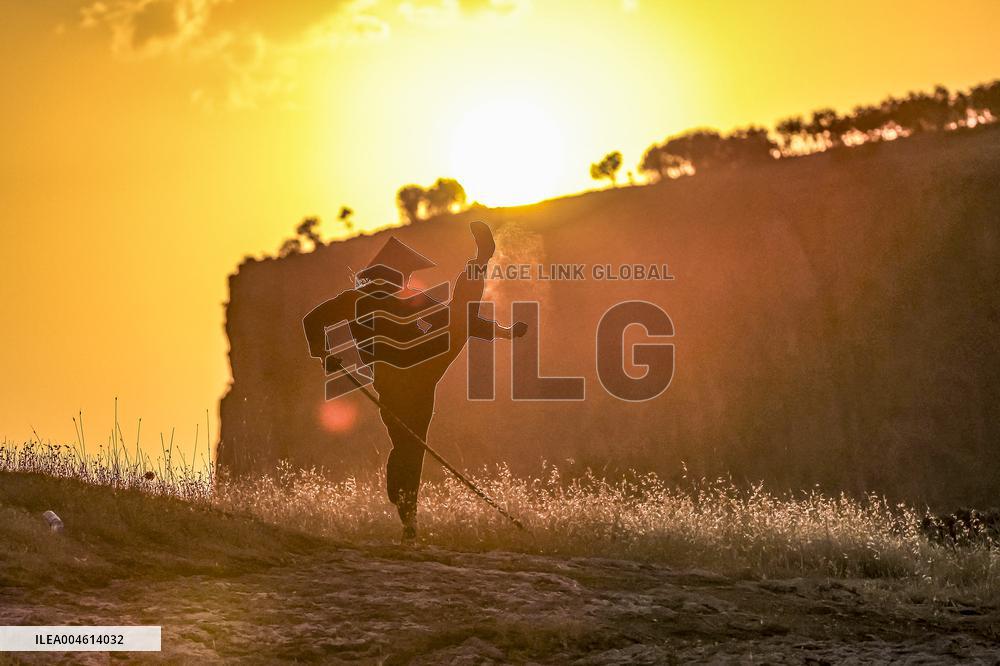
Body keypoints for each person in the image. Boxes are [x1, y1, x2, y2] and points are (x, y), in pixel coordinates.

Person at [303, 221, 525, 541]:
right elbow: (462, 320)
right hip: (421, 375)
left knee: (408, 447)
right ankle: (408, 520)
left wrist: (323, 354)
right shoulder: (389, 299)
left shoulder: (362, 300)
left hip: (399, 382)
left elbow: (312, 320)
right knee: (410, 449)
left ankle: (407, 516)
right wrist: (504, 332)